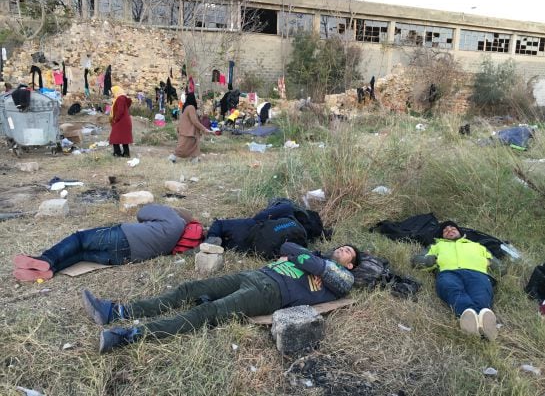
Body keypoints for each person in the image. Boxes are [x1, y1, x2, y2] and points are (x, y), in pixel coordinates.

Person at [81, 241, 361, 353]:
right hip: (254, 275)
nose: (342, 249)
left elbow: (313, 265)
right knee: (188, 289)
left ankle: (128, 335)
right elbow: (287, 244)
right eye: (342, 246)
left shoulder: (343, 277)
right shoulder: (315, 256)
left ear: (349, 263)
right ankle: (117, 311)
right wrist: (306, 258)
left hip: (270, 293)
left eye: (348, 251)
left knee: (208, 313)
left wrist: (308, 260)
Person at [12, 205, 192, 282]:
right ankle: (51, 271)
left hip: (122, 236)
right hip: (125, 257)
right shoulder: (174, 241)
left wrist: (163, 209)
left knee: (79, 239)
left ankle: (46, 259)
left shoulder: (173, 217)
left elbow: (142, 212)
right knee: (82, 255)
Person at [411, 221, 498, 340]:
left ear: (459, 232)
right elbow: (416, 261)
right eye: (445, 230)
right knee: (453, 290)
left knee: (481, 296)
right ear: (442, 236)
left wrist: (490, 262)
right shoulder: (436, 246)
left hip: (478, 274)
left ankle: (476, 323)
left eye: (453, 228)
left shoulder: (477, 246)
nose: (449, 231)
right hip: (449, 273)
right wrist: (432, 260)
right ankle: (477, 322)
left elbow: (501, 268)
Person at [173, 92, 212, 161]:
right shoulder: (191, 107)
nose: (197, 100)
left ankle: (195, 159)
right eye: (196, 98)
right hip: (187, 131)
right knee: (182, 147)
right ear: (193, 99)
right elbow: (194, 121)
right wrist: (204, 129)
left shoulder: (188, 107)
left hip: (188, 131)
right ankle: (172, 158)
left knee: (194, 145)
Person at [109, 85, 133, 158]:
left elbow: (120, 110)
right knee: (124, 138)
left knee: (114, 137)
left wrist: (115, 119)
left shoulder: (120, 98)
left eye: (113, 92)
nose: (112, 94)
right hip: (125, 120)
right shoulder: (123, 98)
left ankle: (117, 153)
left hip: (121, 121)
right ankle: (126, 153)